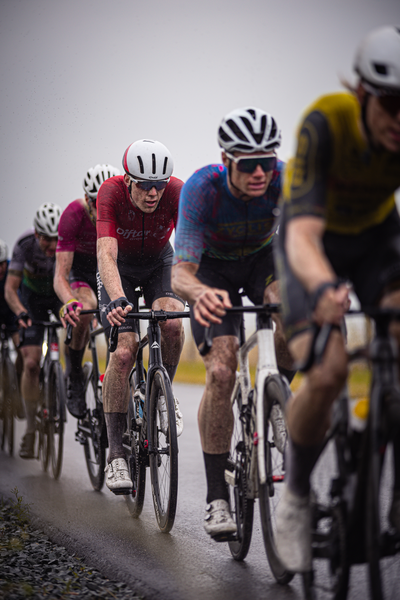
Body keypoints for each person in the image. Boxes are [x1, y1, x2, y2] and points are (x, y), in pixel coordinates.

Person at [274, 25, 400, 572]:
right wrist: (324, 288)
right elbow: (301, 236)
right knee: (325, 372)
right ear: (364, 95)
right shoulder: (326, 122)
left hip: (375, 239)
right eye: (392, 107)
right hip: (312, 240)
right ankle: (297, 493)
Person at [171, 107, 294, 540]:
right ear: (227, 161)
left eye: (268, 160)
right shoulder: (202, 189)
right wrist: (199, 292)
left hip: (263, 260)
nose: (261, 172)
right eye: (248, 164)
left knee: (290, 310)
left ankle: (277, 397)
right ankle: (215, 500)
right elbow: (181, 270)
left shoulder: (286, 178)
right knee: (221, 370)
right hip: (212, 271)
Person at [97, 139, 185, 494]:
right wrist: (117, 297)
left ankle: (162, 394)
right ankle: (116, 454)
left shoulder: (176, 192)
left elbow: (191, 243)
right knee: (123, 352)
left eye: (159, 186)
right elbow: (105, 252)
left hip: (158, 263)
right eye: (145, 186)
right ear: (129, 180)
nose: (153, 194)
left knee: (174, 324)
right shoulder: (111, 192)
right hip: (120, 268)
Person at [54, 164, 120, 419]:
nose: (101, 207)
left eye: (107, 200)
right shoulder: (73, 214)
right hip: (81, 272)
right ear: (87, 199)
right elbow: (60, 274)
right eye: (96, 201)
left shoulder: (122, 211)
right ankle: (75, 375)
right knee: (84, 305)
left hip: (110, 267)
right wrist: (69, 300)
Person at [5, 203, 62, 459]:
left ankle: (69, 383)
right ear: (37, 235)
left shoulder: (65, 241)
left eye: (56, 240)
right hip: (31, 300)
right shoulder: (24, 244)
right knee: (31, 364)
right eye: (48, 240)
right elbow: (10, 287)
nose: (52, 246)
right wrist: (20, 311)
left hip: (58, 294)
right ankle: (30, 428)